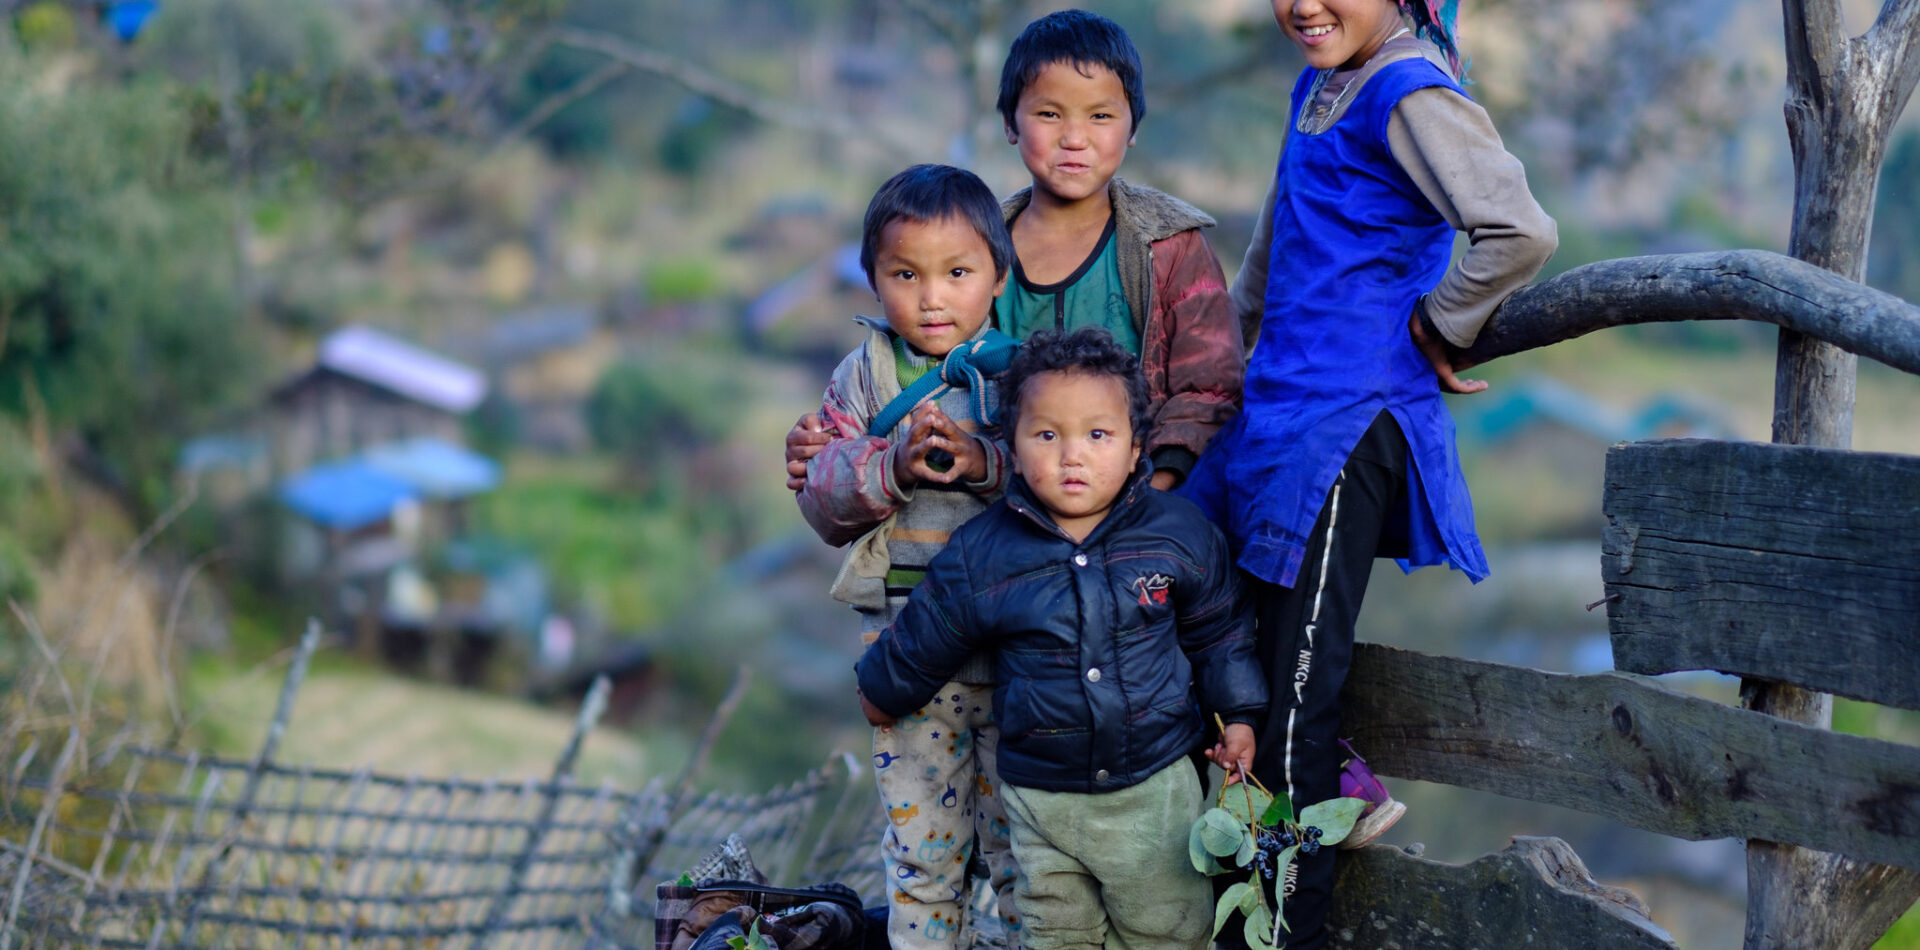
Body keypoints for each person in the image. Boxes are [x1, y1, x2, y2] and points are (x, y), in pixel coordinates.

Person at [1179, 2, 1559, 947]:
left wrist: (1440, 322)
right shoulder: (1325, 79)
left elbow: (1518, 230)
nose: (1302, 4)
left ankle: (1278, 936)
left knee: (1294, 706)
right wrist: (1220, 361)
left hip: (1348, 426)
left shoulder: (1407, 85)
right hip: (1279, 413)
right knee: (1203, 639)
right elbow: (1276, 249)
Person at [855, 327, 1267, 950]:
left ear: (1135, 449)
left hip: (1154, 790)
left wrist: (1238, 715)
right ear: (1013, 450)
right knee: (1056, 933)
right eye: (1047, 435)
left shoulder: (1179, 533)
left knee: (1168, 929)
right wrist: (882, 690)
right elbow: (931, 630)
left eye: (1097, 435)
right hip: (1041, 801)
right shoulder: (985, 552)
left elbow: (1221, 632)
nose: (1072, 455)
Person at [787, 8, 1243, 494]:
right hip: (999, 511)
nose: (1074, 137)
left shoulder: (1168, 245)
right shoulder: (974, 248)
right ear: (1010, 122)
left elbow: (1209, 386)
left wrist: (1156, 487)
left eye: (1101, 116)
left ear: (1132, 128)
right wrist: (829, 446)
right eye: (1049, 113)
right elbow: (909, 366)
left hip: (1143, 508)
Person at [794, 163, 1023, 950]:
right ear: (873, 279)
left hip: (1019, 655)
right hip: (911, 658)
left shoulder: (1026, 376)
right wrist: (886, 466)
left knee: (1023, 856)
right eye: (905, 274)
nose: (932, 297)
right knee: (924, 856)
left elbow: (1071, 486)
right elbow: (820, 500)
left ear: (998, 276)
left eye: (957, 273)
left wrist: (986, 462)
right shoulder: (862, 377)